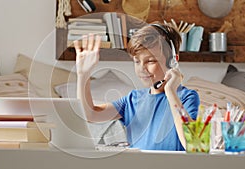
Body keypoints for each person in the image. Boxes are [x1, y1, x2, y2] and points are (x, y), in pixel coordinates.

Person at [73, 23, 200, 151]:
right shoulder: (133, 99)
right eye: (137, 61)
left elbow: (192, 145)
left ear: (173, 61)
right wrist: (83, 75)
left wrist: (171, 92)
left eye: (150, 61)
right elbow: (90, 114)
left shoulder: (186, 97)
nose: (142, 69)